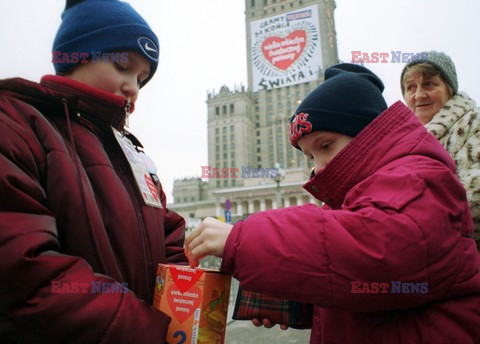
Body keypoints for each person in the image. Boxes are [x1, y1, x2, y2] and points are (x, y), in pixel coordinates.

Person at [185, 63, 480, 343]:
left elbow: (373, 253)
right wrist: (300, 297)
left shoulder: (420, 177)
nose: (318, 167)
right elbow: (358, 287)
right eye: (311, 157)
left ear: (370, 134)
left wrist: (243, 238)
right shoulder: (351, 198)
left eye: (326, 146)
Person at [0, 0, 187, 342]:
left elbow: (168, 234)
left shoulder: (133, 152)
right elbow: (24, 273)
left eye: (141, 79)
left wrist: (189, 295)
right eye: (122, 65)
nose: (133, 87)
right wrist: (148, 331)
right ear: (76, 55)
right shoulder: (14, 123)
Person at [401, 51, 480, 249]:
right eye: (411, 87)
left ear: (449, 89)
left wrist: (408, 220)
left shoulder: (474, 123)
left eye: (429, 84)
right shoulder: (402, 143)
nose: (419, 95)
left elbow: (474, 199)